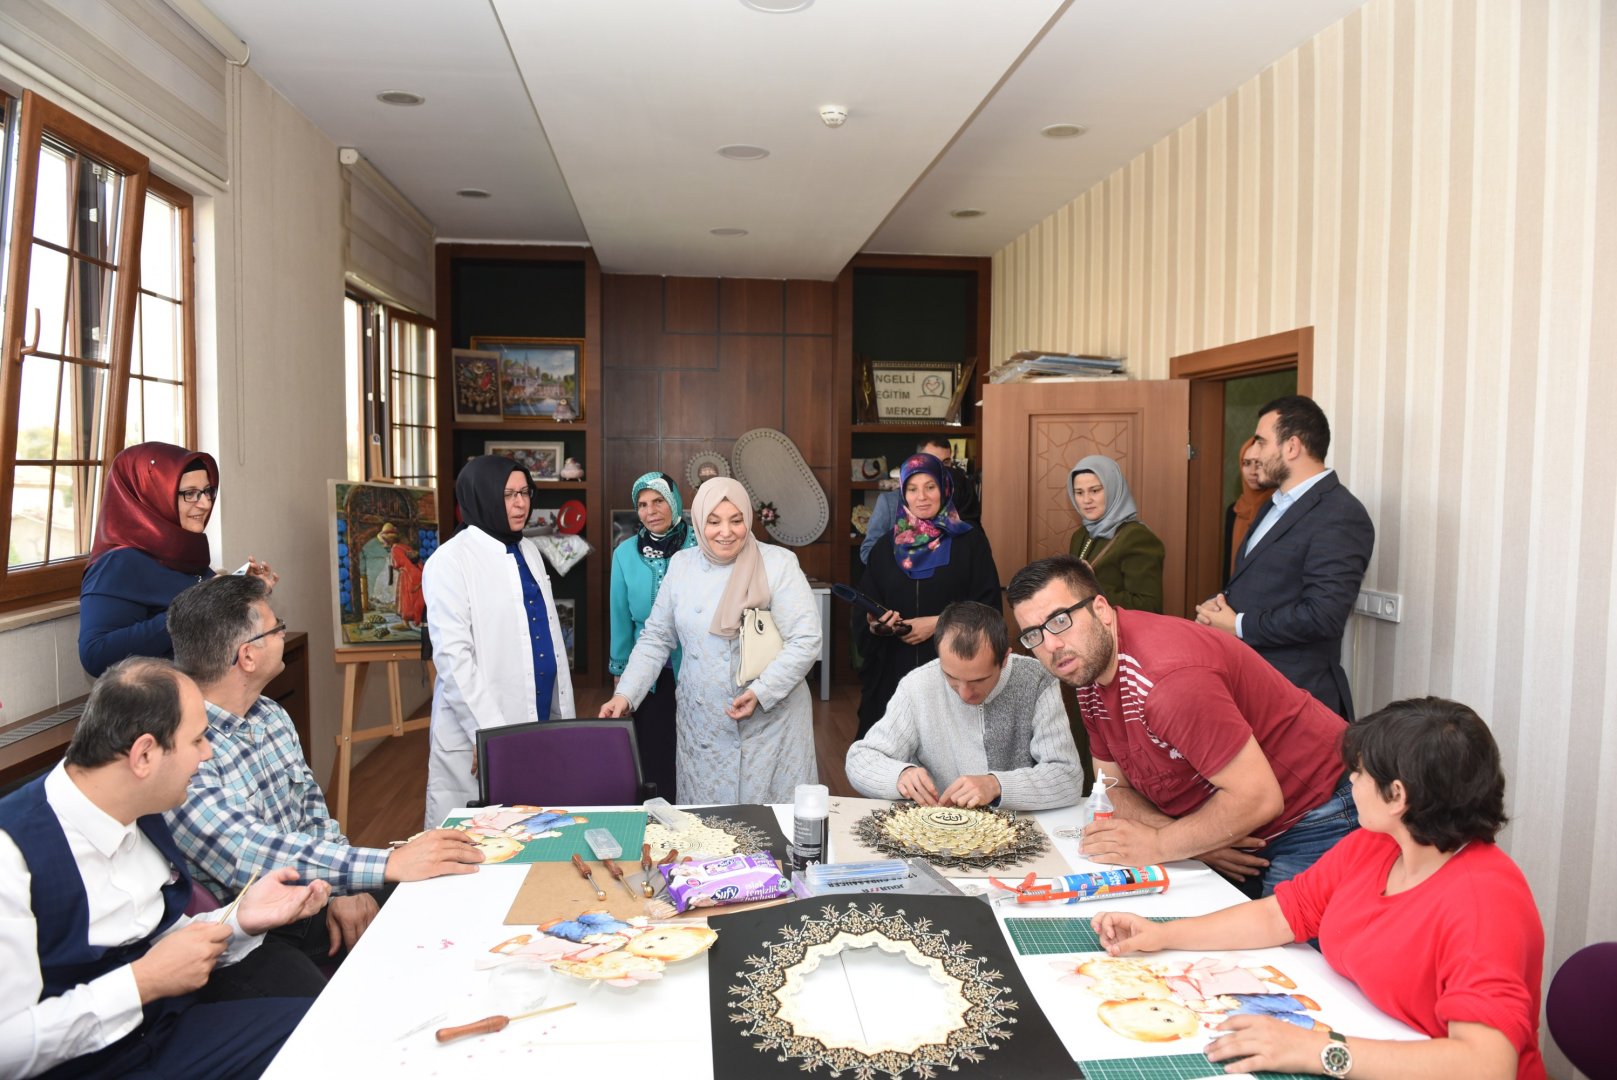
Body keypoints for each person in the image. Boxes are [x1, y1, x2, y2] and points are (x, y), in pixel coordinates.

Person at [1091, 698, 1547, 1080]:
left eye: (1360, 773)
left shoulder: (1485, 902)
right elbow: (1280, 915)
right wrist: (1163, 933)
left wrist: (1322, 1051)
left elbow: (1486, 1065)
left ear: (1397, 796)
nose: (1351, 782)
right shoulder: (1376, 844)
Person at [0, 657, 330, 1079]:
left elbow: (156, 940)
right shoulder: (12, 854)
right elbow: (9, 1046)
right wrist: (142, 982)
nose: (208, 753)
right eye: (198, 740)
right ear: (144, 755)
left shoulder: (143, 809)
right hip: (83, 1066)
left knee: (324, 1030)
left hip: (166, 1029)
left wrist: (240, 918)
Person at [164, 575, 485, 978]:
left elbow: (312, 815)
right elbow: (251, 854)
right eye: (276, 627)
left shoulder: (270, 715)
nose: (284, 633)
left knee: (448, 890)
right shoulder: (182, 748)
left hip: (313, 896)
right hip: (248, 937)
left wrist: (343, 891)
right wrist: (388, 863)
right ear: (247, 656)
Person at [1007, 555, 1355, 895]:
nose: (1051, 645)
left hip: (1316, 813)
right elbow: (1113, 789)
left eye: (1060, 621)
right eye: (1033, 635)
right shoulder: (1087, 669)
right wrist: (1191, 840)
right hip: (1231, 830)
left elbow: (1258, 799)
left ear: (1101, 610)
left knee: (1284, 934)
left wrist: (1163, 842)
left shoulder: (1168, 682)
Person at [599, 477, 821, 803]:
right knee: (707, 820)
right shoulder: (683, 566)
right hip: (703, 722)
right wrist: (626, 694)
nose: (725, 532)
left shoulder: (778, 564)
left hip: (771, 723)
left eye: (736, 520)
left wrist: (761, 691)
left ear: (748, 518)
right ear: (700, 522)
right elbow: (656, 638)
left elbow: (806, 639)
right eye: (714, 521)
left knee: (769, 822)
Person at [421, 456, 576, 828]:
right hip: (484, 721)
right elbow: (453, 659)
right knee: (480, 837)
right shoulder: (450, 561)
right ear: (482, 497)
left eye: (525, 492)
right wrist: (489, 733)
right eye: (508, 494)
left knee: (538, 825)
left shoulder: (528, 551)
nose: (521, 503)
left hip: (539, 710)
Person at [1197, 395, 1374, 720]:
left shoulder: (1341, 514)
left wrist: (1238, 624)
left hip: (1296, 697)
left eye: (1261, 442)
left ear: (1292, 447)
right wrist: (1218, 607)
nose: (1254, 453)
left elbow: (1323, 615)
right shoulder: (1273, 504)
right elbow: (1259, 581)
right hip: (1250, 686)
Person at [845, 601, 1081, 810]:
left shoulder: (1036, 680)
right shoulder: (918, 685)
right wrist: (899, 775)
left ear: (1004, 659)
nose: (965, 693)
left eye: (979, 680)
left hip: (1014, 832)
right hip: (935, 831)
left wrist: (997, 785)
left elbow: (1067, 778)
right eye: (951, 677)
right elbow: (860, 760)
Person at [77, 442, 277, 677]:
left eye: (207, 491)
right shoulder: (118, 564)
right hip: (161, 698)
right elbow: (95, 655)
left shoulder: (180, 551)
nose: (205, 503)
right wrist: (195, 608)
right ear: (153, 497)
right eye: (190, 494)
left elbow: (205, 620)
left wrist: (240, 590)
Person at [854, 452, 1001, 737]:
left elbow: (989, 608)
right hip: (894, 677)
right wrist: (876, 624)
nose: (921, 497)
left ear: (944, 488)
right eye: (912, 489)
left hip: (955, 675)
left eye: (930, 487)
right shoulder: (885, 547)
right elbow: (865, 607)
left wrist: (939, 623)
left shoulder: (970, 542)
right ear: (903, 493)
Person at [608, 472, 697, 802]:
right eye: (643, 504)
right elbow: (620, 616)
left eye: (658, 501)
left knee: (697, 748)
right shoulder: (625, 554)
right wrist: (620, 675)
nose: (650, 511)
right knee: (654, 750)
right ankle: (658, 818)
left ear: (674, 501)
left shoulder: (700, 546)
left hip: (698, 667)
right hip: (649, 674)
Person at [1067, 453, 1165, 613]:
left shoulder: (1137, 537)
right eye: (1079, 492)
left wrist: (1090, 586)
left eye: (1095, 490)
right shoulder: (1080, 535)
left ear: (1113, 489)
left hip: (1122, 628)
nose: (1086, 500)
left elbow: (1148, 606)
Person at [858, 435, 978, 563]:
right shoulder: (890, 502)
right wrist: (906, 561)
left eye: (946, 462)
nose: (940, 469)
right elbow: (867, 553)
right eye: (932, 461)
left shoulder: (959, 498)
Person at [1222, 435, 1273, 586]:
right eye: (1246, 463)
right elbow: (1228, 564)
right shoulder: (1235, 510)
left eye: (1259, 463)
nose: (1252, 471)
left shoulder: (1279, 508)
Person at [360, 521, 399, 610]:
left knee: (393, 584)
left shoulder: (394, 544)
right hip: (380, 571)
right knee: (382, 584)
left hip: (392, 569)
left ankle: (392, 602)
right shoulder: (370, 545)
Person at [391, 534, 426, 629]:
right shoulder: (405, 548)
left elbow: (397, 564)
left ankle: (406, 622)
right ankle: (414, 621)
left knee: (405, 599)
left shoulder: (395, 549)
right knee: (414, 599)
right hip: (415, 574)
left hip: (406, 576)